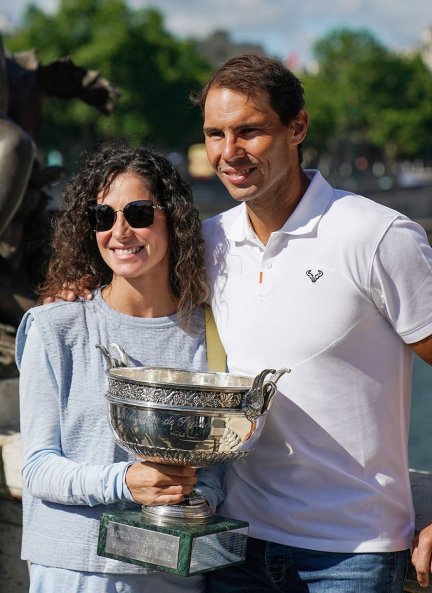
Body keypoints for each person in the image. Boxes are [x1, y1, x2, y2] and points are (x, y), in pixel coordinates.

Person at [191, 53, 432, 592]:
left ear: (297, 126)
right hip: (235, 545)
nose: (228, 153)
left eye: (249, 131)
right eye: (214, 134)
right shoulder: (209, 241)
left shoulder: (377, 235)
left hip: (354, 555)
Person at [16, 143, 209, 593]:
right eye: (103, 217)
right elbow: (37, 468)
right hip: (72, 572)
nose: (120, 231)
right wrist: (125, 481)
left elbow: (216, 469)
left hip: (172, 575)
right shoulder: (54, 327)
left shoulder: (209, 335)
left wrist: (191, 494)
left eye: (138, 213)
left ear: (173, 218)